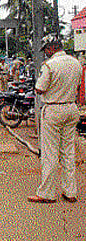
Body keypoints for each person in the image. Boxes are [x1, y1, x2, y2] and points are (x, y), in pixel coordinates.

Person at [28, 36, 82, 203]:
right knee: (68, 152)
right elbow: (79, 86)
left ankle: (47, 193)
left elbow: (39, 89)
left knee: (50, 153)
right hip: (71, 108)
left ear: (51, 48)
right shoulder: (76, 63)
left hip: (53, 109)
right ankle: (70, 191)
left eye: (46, 50)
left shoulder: (50, 65)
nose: (45, 53)